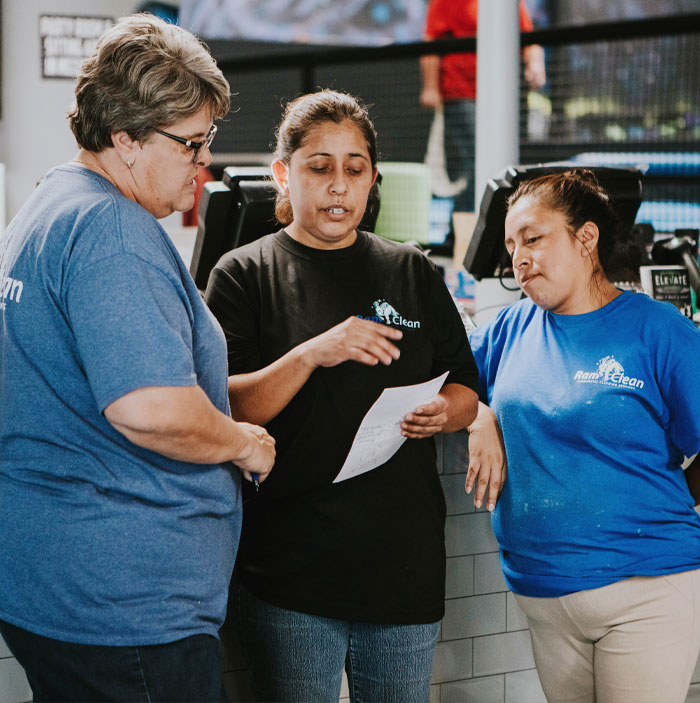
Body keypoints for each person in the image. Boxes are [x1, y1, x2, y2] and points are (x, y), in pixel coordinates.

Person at [0, 14, 275, 702]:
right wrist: (243, 442)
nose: (203, 162)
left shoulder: (51, 203)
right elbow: (149, 407)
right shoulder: (110, 229)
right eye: (190, 144)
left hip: (59, 582)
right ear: (123, 138)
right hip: (124, 609)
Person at [204, 89, 481, 703]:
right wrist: (311, 353)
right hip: (292, 568)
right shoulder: (243, 275)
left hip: (402, 563)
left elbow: (466, 385)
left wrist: (444, 413)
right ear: (284, 173)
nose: (338, 186)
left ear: (372, 179)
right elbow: (227, 408)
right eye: (319, 168)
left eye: (354, 170)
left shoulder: (410, 270)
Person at [467, 168, 700, 703]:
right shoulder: (508, 328)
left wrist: (671, 504)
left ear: (586, 239)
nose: (519, 259)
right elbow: (450, 382)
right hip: (544, 595)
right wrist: (478, 416)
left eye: (534, 238)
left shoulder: (658, 331)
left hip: (645, 590)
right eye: (510, 245)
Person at [420, 0, 546, 216]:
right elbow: (432, 42)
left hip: (500, 97)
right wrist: (430, 87)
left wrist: (535, 63)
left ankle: (477, 228)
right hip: (459, 93)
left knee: (500, 165)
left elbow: (528, 35)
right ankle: (467, 231)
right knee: (475, 164)